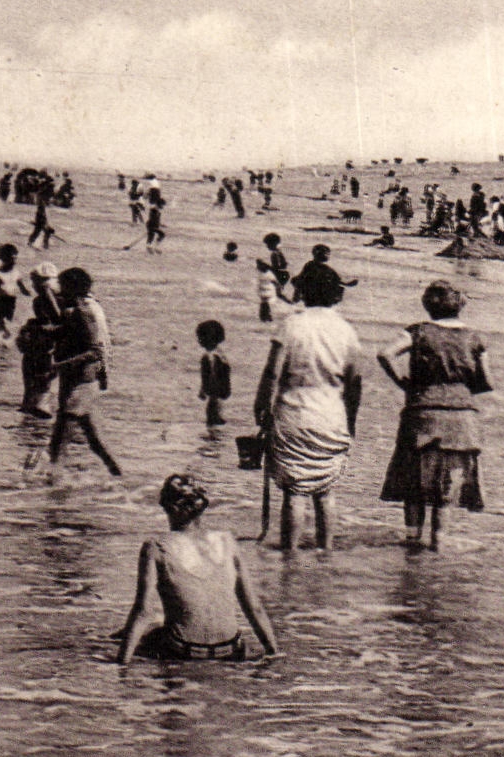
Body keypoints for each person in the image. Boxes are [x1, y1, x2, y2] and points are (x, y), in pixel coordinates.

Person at [253, 267, 362, 551]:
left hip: (294, 413)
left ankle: (289, 557)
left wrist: (261, 406)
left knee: (294, 492)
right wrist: (351, 422)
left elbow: (272, 373)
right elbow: (354, 383)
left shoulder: (291, 325)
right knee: (325, 492)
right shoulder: (346, 330)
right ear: (336, 295)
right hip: (331, 415)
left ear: (302, 292)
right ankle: (324, 552)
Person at [378, 280, 492, 549]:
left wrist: (403, 382)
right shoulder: (475, 338)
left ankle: (412, 540)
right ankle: (438, 544)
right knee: (446, 488)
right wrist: (461, 389)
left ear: (428, 306)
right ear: (460, 306)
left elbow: (385, 354)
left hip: (422, 411)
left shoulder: (418, 332)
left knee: (414, 484)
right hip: (461, 418)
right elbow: (487, 381)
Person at [116, 474, 278, 664]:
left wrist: (121, 665)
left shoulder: (156, 546)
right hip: (231, 649)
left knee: (142, 634)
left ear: (169, 508)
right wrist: (273, 653)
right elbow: (254, 608)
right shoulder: (227, 541)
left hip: (183, 650)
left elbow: (143, 612)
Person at [46, 267, 121, 476]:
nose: (59, 290)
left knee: (59, 443)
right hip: (78, 381)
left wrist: (58, 366)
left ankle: (52, 491)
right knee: (94, 441)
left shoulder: (83, 312)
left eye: (62, 286)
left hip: (81, 383)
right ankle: (118, 477)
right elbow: (74, 335)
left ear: (72, 288)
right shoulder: (79, 310)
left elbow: (94, 351)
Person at [15, 262, 60, 417]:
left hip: (46, 341)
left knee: (37, 371)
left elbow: (55, 320)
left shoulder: (46, 296)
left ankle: (34, 404)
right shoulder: (53, 297)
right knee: (40, 373)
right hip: (46, 341)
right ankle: (33, 404)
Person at [197, 319, 232, 428]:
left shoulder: (209, 356)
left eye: (200, 337)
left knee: (212, 418)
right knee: (218, 417)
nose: (199, 340)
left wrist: (203, 390)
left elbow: (210, 374)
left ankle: (213, 440)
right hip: (221, 393)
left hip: (214, 394)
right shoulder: (221, 355)